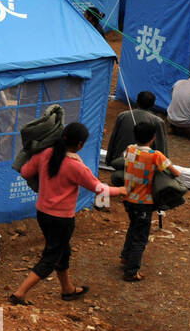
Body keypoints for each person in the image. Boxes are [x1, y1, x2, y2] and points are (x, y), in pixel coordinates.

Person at [10, 122, 125, 304]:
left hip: (42, 213)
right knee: (51, 257)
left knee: (62, 251)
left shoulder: (46, 154)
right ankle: (19, 293)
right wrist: (122, 190)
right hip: (62, 219)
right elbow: (99, 188)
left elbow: (24, 172)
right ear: (80, 145)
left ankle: (68, 289)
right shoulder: (76, 167)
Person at [118, 121, 174, 282]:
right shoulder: (155, 155)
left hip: (128, 199)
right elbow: (174, 172)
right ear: (153, 137)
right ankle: (132, 271)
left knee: (133, 227)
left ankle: (125, 257)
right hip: (144, 202)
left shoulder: (129, 149)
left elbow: (126, 160)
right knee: (140, 237)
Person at [105, 91, 168, 162]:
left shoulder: (122, 116)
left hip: (121, 160)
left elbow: (113, 139)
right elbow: (161, 146)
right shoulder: (157, 121)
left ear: (137, 101)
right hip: (143, 164)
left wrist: (109, 158)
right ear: (153, 105)